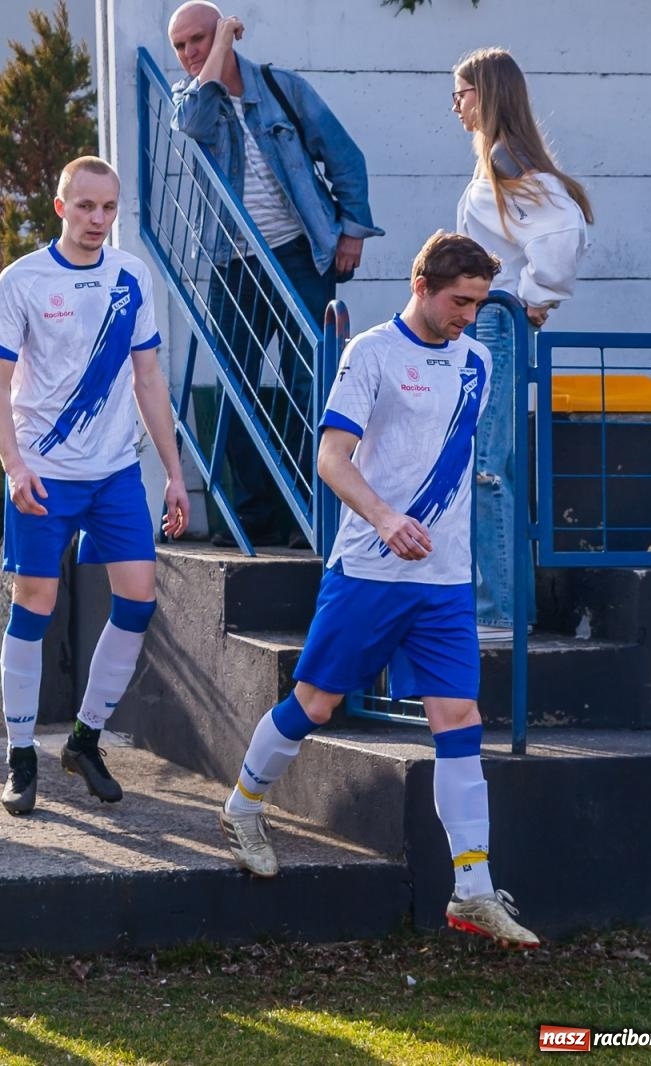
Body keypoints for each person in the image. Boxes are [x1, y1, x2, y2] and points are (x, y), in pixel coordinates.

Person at [217, 231, 540, 950]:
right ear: (422, 286)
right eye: (460, 301)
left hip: (445, 578)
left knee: (459, 718)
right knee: (316, 703)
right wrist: (388, 518)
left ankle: (474, 889)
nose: (469, 316)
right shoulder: (370, 353)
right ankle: (242, 807)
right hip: (369, 567)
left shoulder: (479, 359)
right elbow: (332, 458)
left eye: (479, 304)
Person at [0, 155, 191, 816]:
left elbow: (150, 380)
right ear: (61, 206)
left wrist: (176, 475)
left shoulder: (133, 275)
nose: (98, 220)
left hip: (115, 472)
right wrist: (14, 466)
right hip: (43, 473)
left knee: (137, 599)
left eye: (108, 208)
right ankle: (19, 755)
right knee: (36, 603)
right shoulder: (23, 280)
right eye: (85, 207)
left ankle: (84, 740)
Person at [167, 2, 382, 547]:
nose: (190, 52)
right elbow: (191, 124)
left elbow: (344, 156)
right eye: (182, 45)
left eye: (200, 39)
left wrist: (351, 231)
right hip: (234, 261)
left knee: (308, 380)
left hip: (298, 253)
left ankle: (311, 509)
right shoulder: (191, 101)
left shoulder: (282, 88)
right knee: (235, 385)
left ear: (225, 34)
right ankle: (258, 514)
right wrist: (216, 54)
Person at [452, 47, 592, 631]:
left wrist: (532, 298)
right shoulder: (504, 160)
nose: (456, 107)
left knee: (486, 466)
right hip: (494, 325)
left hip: (497, 324)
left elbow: (561, 232)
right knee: (488, 466)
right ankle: (506, 608)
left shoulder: (507, 162)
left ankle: (500, 612)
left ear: (484, 94)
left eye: (460, 94)